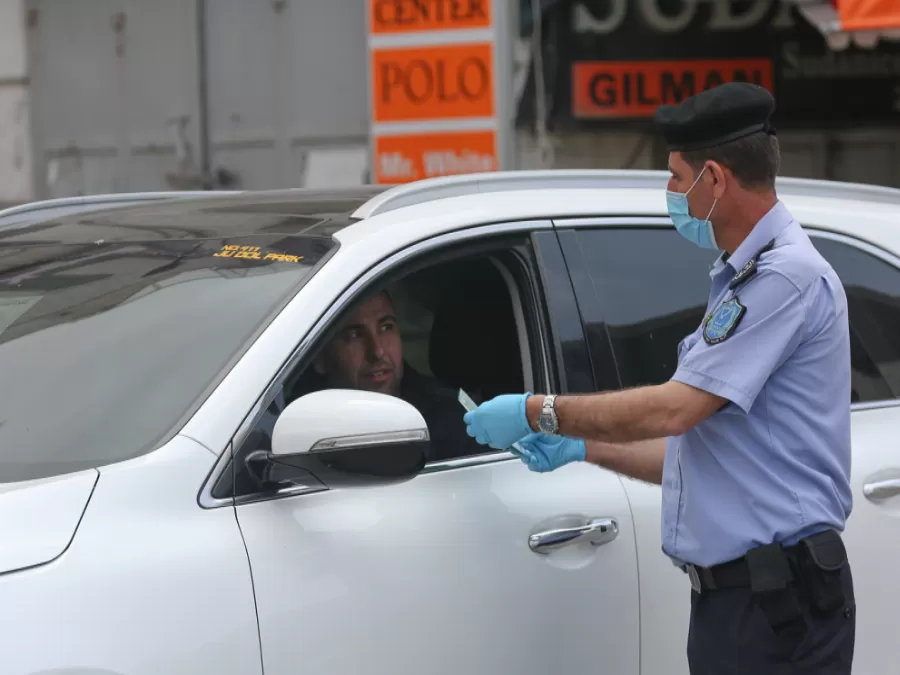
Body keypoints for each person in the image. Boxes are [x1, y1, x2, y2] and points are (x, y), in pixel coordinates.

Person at [462, 82, 856, 674]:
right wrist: (583, 446)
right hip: (744, 604)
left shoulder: (784, 281)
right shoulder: (744, 279)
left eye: (676, 177)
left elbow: (674, 410)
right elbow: (697, 454)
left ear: (715, 180)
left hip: (779, 605)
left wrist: (537, 409)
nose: (670, 194)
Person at [292, 289, 483, 462]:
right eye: (354, 335)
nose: (377, 351)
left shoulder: (458, 420)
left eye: (386, 328)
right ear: (320, 358)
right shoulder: (293, 425)